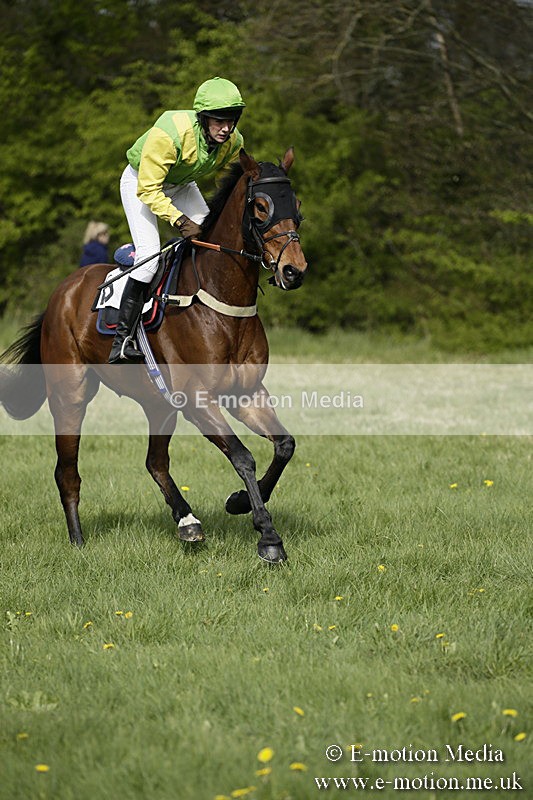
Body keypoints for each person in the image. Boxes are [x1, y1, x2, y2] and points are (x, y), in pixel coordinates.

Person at [108, 76, 246, 364]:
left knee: (211, 243)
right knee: (149, 258)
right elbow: (148, 189)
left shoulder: (234, 142)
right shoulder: (170, 134)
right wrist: (181, 221)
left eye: (231, 120)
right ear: (203, 118)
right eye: (219, 121)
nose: (226, 128)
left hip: (181, 185)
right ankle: (123, 340)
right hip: (140, 183)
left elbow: (228, 184)